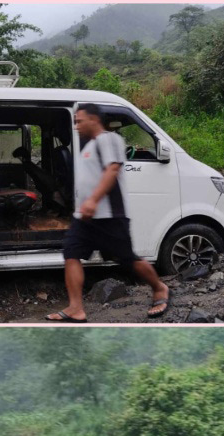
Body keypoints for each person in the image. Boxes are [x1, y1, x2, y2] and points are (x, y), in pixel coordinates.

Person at [46, 103, 169, 322]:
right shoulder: (88, 147)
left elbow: (113, 169)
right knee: (71, 253)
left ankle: (159, 288)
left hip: (110, 216)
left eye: (80, 121)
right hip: (84, 218)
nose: (76, 126)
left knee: (127, 259)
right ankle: (76, 308)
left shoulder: (109, 139)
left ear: (94, 119)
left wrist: (93, 200)